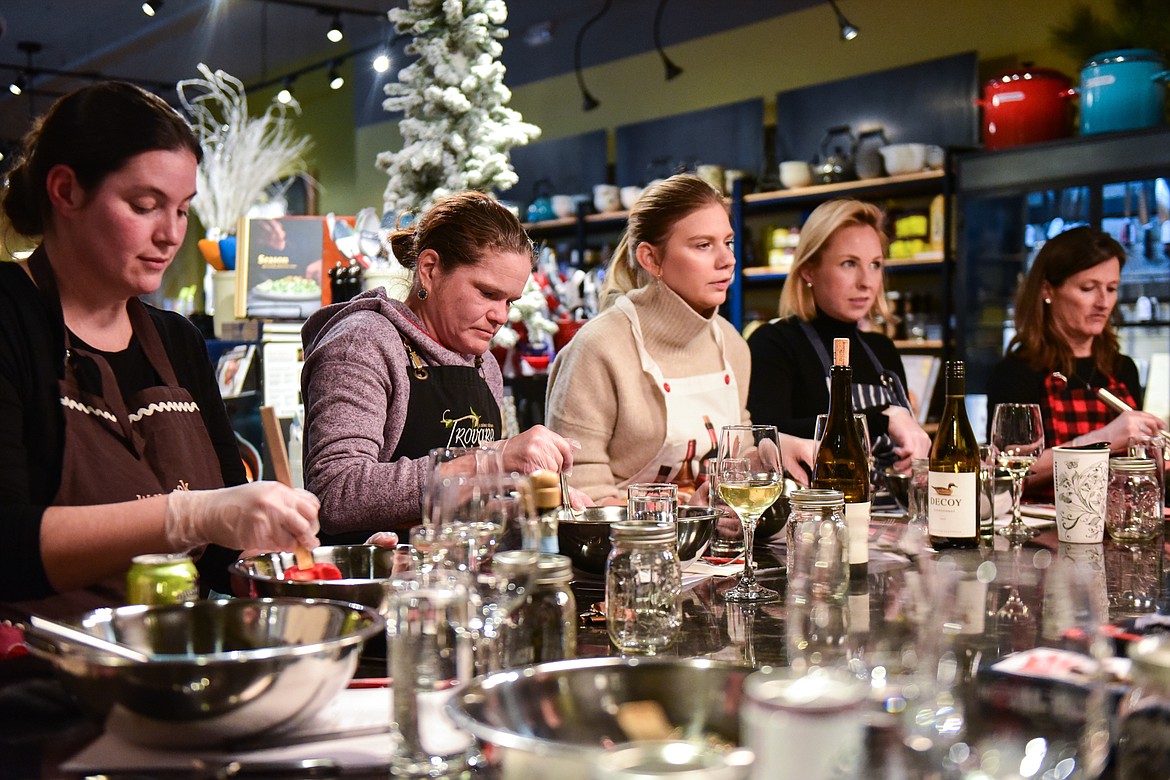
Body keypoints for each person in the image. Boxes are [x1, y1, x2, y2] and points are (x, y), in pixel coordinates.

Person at [0, 82, 320, 617]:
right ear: (65, 191)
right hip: (42, 672)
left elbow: (219, 555)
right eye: (145, 205)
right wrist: (186, 515)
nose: (171, 234)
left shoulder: (178, 341)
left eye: (181, 209)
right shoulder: (11, 319)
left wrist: (290, 556)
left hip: (173, 658)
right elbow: (8, 546)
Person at [301, 190, 580, 541]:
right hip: (380, 581)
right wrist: (491, 461)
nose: (500, 316)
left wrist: (532, 500)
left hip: (461, 573)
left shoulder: (483, 364)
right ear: (430, 269)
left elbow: (471, 503)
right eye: (487, 293)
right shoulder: (364, 343)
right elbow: (336, 494)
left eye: (510, 301)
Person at [546, 174, 816, 504]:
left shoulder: (732, 345)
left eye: (728, 243)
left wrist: (768, 453)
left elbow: (733, 453)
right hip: (624, 549)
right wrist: (681, 521)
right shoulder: (599, 347)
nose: (727, 260)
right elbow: (581, 490)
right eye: (703, 245)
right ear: (651, 259)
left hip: (707, 549)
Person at [746, 199, 932, 477]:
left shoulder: (883, 349)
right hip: (818, 514)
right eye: (848, 263)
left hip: (888, 513)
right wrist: (882, 419)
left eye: (875, 265)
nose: (866, 282)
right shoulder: (775, 343)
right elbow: (765, 437)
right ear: (809, 269)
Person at [987, 226, 1166, 494]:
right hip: (1046, 527)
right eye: (1088, 288)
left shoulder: (1122, 369)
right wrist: (1104, 439)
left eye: (1112, 288)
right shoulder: (1018, 371)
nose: (1103, 302)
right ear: (1048, 290)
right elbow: (1007, 475)